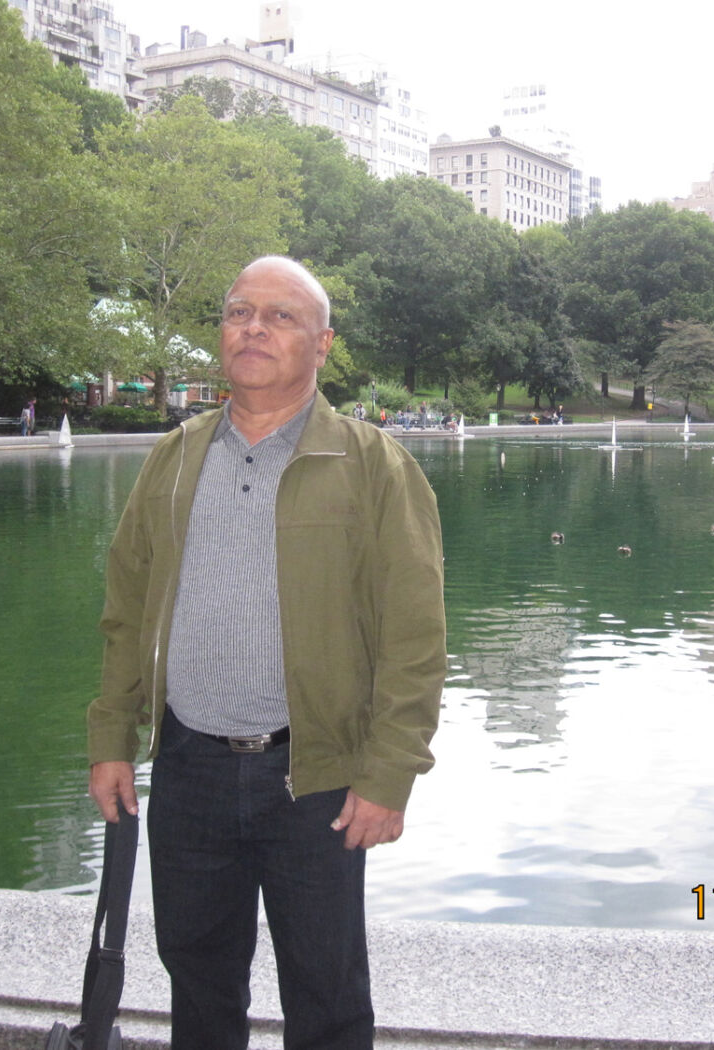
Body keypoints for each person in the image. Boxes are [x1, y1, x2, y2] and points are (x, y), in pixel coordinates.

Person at [86, 255, 446, 1050]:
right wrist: (112, 734)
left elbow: (415, 639)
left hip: (315, 776)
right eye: (239, 312)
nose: (254, 328)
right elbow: (127, 609)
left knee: (328, 993)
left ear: (322, 344)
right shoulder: (175, 457)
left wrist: (390, 774)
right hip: (190, 768)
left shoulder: (373, 465)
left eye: (281, 316)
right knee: (197, 980)